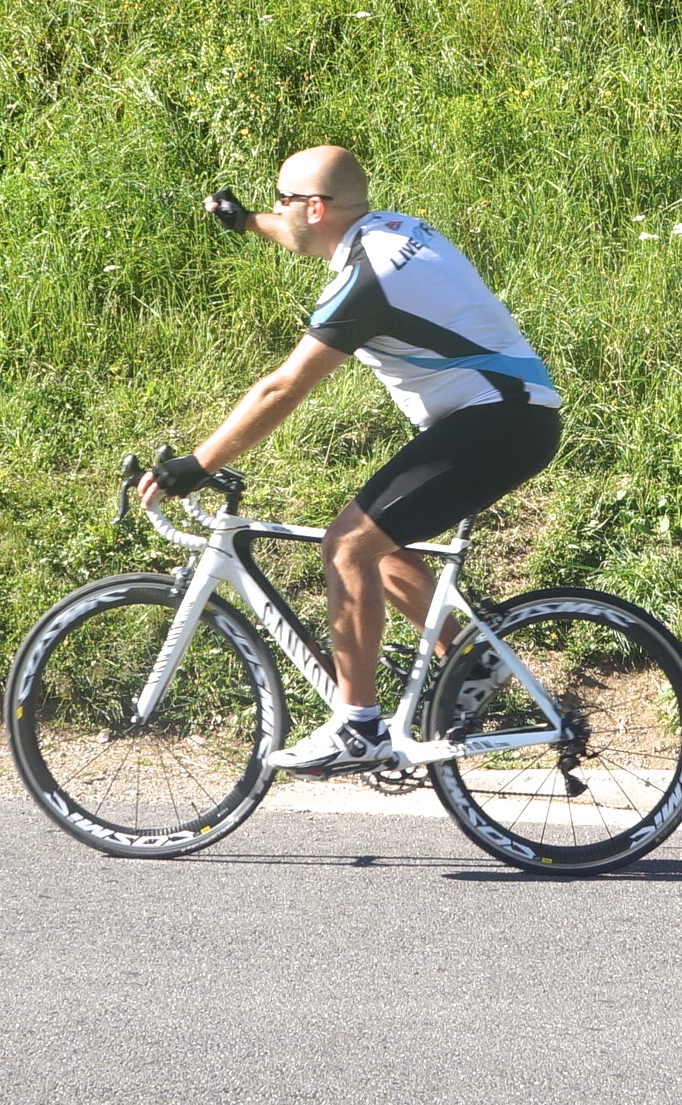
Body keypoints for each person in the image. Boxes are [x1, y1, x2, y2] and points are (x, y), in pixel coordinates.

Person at [140, 146, 562, 771]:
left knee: (347, 545)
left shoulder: (366, 284)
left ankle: (357, 725)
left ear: (316, 207)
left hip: (498, 422)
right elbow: (296, 227)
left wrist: (195, 465)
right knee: (380, 541)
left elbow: (281, 389)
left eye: (282, 198)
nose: (276, 210)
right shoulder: (388, 228)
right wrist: (244, 219)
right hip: (508, 415)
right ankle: (472, 663)